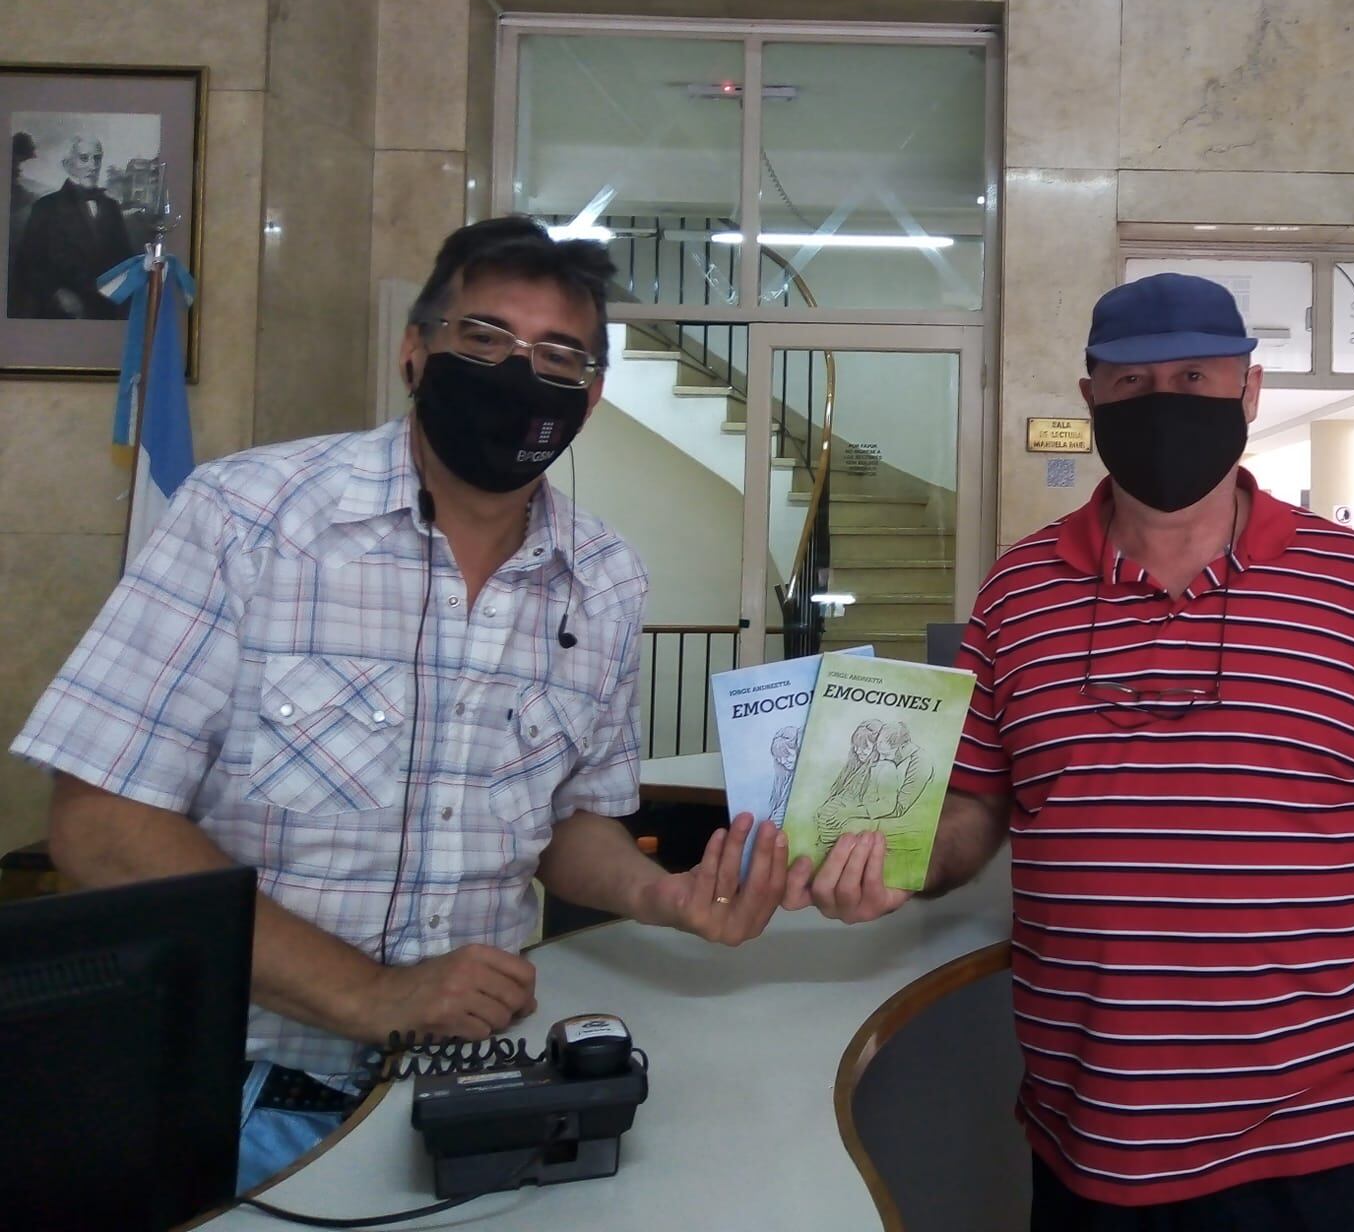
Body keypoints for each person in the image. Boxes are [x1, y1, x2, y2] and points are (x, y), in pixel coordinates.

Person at [12, 215, 790, 1192]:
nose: (517, 372)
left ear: (590, 396)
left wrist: (658, 894)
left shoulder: (604, 579)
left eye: (557, 355)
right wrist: (370, 993)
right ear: (414, 352)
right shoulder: (247, 519)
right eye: (483, 339)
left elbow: (572, 829)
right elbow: (102, 824)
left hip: (477, 1092)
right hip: (240, 1095)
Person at [792, 272, 1354, 1232]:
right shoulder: (1018, 591)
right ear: (1091, 400)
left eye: (1197, 376)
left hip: (1323, 1136)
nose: (1166, 402)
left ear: (1250, 391)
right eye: (1133, 382)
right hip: (1091, 1144)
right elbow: (978, 806)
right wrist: (896, 863)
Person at [10, 133, 135, 319]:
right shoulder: (45, 207)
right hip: (59, 315)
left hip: (107, 312)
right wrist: (56, 293)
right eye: (84, 158)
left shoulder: (112, 207)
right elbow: (28, 265)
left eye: (97, 158)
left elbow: (125, 260)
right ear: (67, 165)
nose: (93, 166)